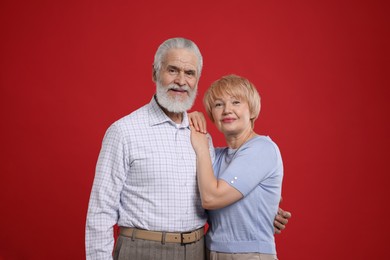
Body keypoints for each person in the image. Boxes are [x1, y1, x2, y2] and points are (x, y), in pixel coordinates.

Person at [85, 37, 291, 260]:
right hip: (143, 249)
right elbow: (100, 210)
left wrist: (263, 213)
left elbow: (222, 190)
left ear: (197, 79)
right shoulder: (124, 131)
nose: (181, 80)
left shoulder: (202, 137)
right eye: (172, 70)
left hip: (197, 250)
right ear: (155, 73)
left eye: (189, 73)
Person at [190, 74, 283, 260]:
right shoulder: (215, 156)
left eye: (236, 102)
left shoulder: (262, 148)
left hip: (249, 255)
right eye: (218, 105)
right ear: (212, 115)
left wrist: (201, 146)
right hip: (209, 252)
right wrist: (189, 120)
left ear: (252, 111)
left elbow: (210, 198)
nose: (227, 110)